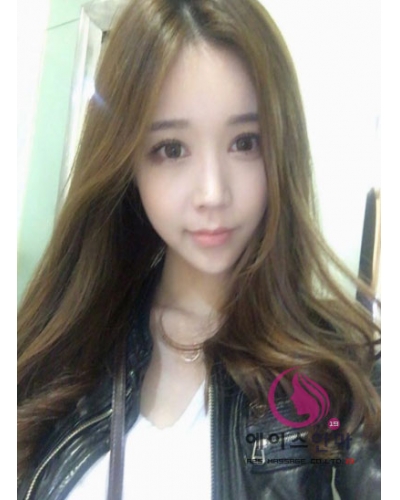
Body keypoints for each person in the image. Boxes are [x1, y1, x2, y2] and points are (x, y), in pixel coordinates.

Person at [17, 0, 380, 498]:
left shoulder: (342, 375)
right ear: (127, 162)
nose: (212, 193)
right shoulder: (63, 346)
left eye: (245, 142)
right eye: (172, 149)